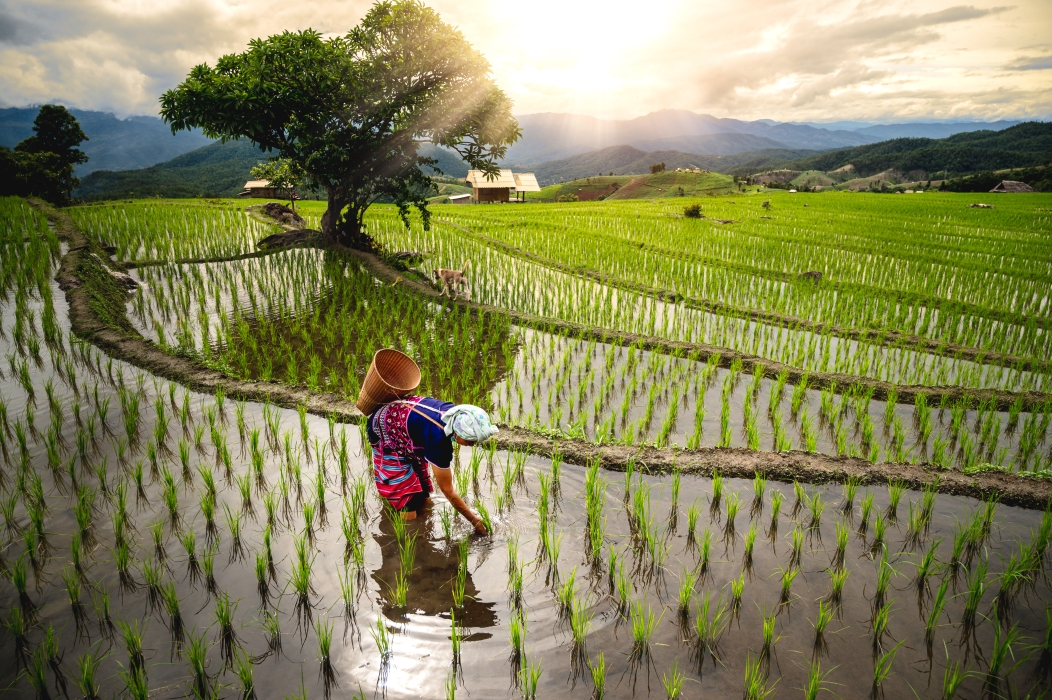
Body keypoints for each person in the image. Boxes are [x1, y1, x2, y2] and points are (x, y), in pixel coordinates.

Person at [367, 397, 496, 534]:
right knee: (407, 499)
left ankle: (422, 524)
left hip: (402, 424)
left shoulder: (455, 414)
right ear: (458, 431)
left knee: (422, 491)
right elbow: (447, 490)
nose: (472, 445)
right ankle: (410, 538)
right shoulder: (438, 438)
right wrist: (473, 520)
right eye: (470, 440)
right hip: (383, 432)